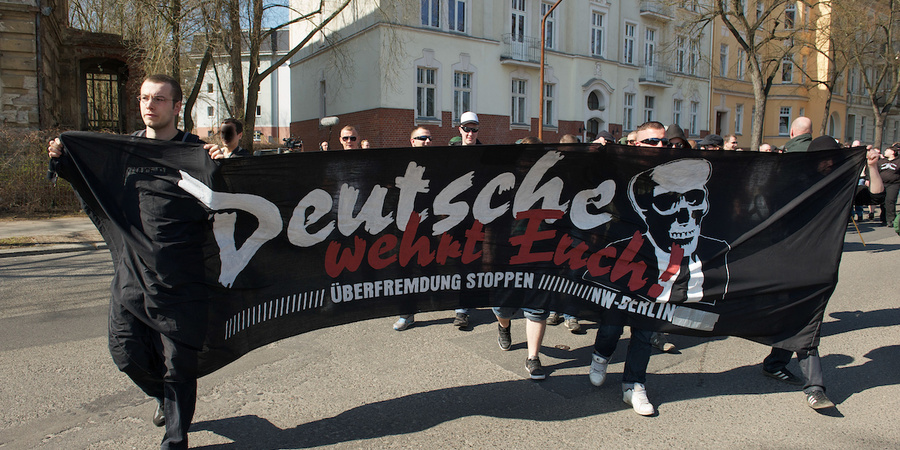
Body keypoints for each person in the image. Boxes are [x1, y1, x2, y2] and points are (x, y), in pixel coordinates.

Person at [48, 73, 224, 450]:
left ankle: (174, 439)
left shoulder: (195, 152)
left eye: (159, 99)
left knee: (178, 363)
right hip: (132, 270)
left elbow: (227, 197)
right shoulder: (124, 152)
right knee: (125, 353)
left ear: (177, 107)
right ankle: (163, 397)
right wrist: (63, 158)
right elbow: (90, 179)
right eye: (145, 98)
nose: (149, 105)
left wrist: (223, 163)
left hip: (180, 275)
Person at [762, 136, 884, 410]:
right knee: (807, 320)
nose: (830, 163)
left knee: (800, 317)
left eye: (835, 157)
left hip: (824, 264)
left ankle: (775, 362)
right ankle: (815, 387)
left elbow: (876, 195)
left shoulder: (843, 183)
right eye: (826, 158)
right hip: (792, 262)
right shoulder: (795, 183)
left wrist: (873, 167)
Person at [588, 121, 670, 416]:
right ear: (636, 144)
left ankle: (634, 385)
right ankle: (601, 354)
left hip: (654, 263)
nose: (660, 147)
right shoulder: (618, 171)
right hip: (619, 259)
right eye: (652, 141)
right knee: (612, 324)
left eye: (664, 142)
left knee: (645, 329)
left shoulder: (672, 175)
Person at [392, 126, 434, 332]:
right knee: (405, 269)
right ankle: (406, 313)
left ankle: (441, 303)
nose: (427, 141)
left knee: (432, 267)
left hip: (431, 225)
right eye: (422, 138)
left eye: (429, 138)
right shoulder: (401, 162)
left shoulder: (438, 162)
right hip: (406, 225)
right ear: (412, 141)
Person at [449, 111, 481, 327]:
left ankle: (463, 307)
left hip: (478, 216)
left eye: (474, 129)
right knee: (455, 261)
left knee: (471, 261)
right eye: (466, 129)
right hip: (453, 216)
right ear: (459, 129)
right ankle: (459, 306)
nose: (470, 133)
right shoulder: (448, 154)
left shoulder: (486, 154)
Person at [877, 146, 899, 226]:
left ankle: (891, 219)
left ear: (893, 152)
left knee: (890, 201)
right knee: (883, 201)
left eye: (887, 150)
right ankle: (883, 218)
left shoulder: (898, 162)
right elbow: (875, 171)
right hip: (882, 183)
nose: (885, 151)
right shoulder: (881, 162)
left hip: (894, 184)